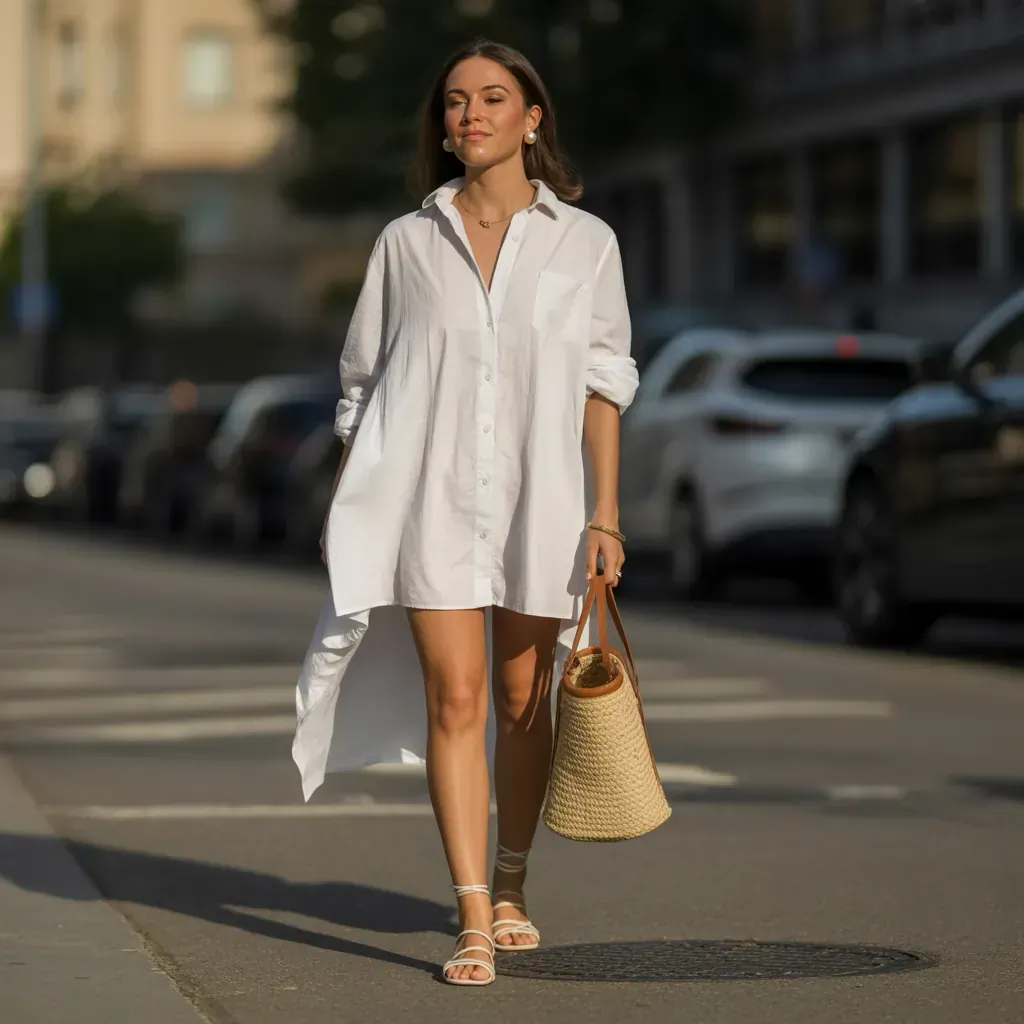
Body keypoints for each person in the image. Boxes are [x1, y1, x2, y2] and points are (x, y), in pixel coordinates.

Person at [292, 39, 638, 987]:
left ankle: (514, 879)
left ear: (534, 119)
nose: (470, 115)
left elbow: (604, 384)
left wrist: (604, 515)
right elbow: (363, 384)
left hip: (544, 503)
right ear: (442, 129)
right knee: (456, 699)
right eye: (454, 103)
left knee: (524, 703)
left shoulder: (587, 242)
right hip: (432, 503)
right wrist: (363, 503)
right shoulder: (405, 245)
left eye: (493, 99)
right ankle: (474, 916)